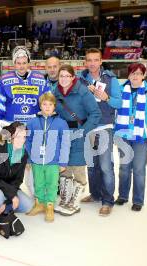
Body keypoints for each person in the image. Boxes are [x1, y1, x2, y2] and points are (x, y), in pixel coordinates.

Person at [0, 45, 51, 199]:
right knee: (12, 161)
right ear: (14, 63)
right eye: (18, 63)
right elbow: (0, 104)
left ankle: (37, 193)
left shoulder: (40, 79)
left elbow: (48, 102)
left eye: (24, 62)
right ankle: (9, 192)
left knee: (33, 161)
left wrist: (45, 122)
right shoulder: (5, 80)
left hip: (33, 129)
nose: (21, 66)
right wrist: (0, 125)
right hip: (13, 130)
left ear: (29, 62)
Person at [78, 48, 122, 216]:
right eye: (89, 60)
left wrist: (106, 98)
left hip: (104, 127)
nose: (92, 63)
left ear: (101, 61)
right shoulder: (81, 79)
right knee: (91, 165)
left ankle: (107, 200)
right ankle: (95, 194)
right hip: (88, 127)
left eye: (95, 60)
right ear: (85, 62)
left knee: (105, 165)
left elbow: (119, 103)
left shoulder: (111, 79)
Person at [52, 64, 101, 216]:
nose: (64, 79)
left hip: (80, 133)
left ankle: (75, 201)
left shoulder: (82, 91)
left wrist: (83, 132)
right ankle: (65, 198)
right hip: (63, 134)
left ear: (73, 77)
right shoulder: (55, 91)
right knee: (64, 166)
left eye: (67, 76)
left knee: (78, 168)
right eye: (61, 76)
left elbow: (95, 114)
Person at [114, 63, 147, 211]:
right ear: (128, 75)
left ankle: (138, 200)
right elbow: (115, 113)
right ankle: (122, 196)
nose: (135, 76)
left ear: (144, 75)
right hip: (124, 136)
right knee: (124, 168)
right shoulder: (121, 91)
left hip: (142, 137)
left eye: (139, 73)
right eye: (133, 73)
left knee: (139, 169)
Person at [25, 92, 71, 222]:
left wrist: (63, 162)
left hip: (53, 161)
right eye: (44, 104)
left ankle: (50, 205)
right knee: (38, 182)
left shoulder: (61, 123)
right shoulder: (32, 122)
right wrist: (28, 159)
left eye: (50, 104)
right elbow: (27, 141)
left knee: (51, 184)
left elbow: (65, 143)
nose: (47, 107)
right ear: (40, 106)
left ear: (54, 106)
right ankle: (39, 203)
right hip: (36, 160)